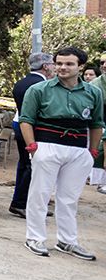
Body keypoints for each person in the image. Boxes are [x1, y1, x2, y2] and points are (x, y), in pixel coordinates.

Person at [18, 46, 100, 260]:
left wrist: (92, 151)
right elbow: (26, 120)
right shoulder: (39, 90)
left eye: (69, 64)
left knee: (69, 198)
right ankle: (34, 237)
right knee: (40, 193)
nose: (63, 67)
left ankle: (67, 241)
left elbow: (97, 122)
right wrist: (33, 148)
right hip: (47, 145)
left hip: (79, 149)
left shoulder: (93, 93)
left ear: (80, 67)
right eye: (59, 63)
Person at [9, 53, 55, 216]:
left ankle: (23, 201)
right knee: (33, 166)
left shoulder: (21, 82)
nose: (54, 67)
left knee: (24, 164)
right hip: (32, 128)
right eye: (52, 64)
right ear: (45, 66)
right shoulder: (42, 85)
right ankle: (21, 203)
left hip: (18, 123)